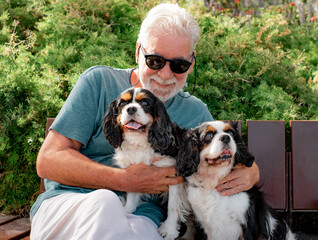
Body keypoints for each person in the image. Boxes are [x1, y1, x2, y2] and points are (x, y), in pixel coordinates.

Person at [30, 3, 260, 239]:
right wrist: (124, 180)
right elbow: (48, 161)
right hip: (70, 203)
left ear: (191, 62)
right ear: (138, 51)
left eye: (179, 65)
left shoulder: (194, 112)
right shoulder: (98, 82)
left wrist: (251, 173)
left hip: (144, 218)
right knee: (105, 202)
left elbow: (224, 156)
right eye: (155, 61)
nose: (166, 74)